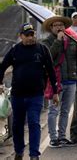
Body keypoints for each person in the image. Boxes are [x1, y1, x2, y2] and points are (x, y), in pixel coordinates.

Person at [0, 23, 59, 160]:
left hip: (36, 95)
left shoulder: (42, 49)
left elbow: (51, 71)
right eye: (27, 35)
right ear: (21, 36)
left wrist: (55, 92)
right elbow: (2, 67)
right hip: (17, 95)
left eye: (32, 34)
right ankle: (19, 151)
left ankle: (34, 154)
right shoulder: (15, 50)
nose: (30, 38)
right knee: (17, 125)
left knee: (34, 123)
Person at [41, 15, 77, 148]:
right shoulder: (47, 42)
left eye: (61, 25)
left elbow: (76, 58)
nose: (59, 27)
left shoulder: (71, 40)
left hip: (71, 79)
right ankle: (53, 137)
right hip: (56, 80)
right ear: (51, 28)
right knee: (53, 110)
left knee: (65, 111)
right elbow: (49, 58)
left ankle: (62, 136)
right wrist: (58, 41)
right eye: (56, 25)